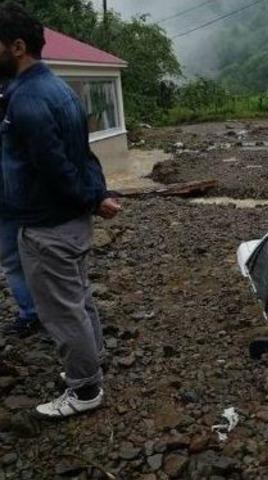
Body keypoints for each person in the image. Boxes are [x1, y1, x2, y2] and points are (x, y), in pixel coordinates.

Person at [0, 2, 122, 418]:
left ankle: (85, 390)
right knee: (79, 297)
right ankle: (92, 360)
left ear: (17, 47)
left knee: (62, 311)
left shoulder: (27, 101)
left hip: (47, 226)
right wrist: (97, 195)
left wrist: (91, 197)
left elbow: (55, 168)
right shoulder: (61, 89)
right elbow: (84, 156)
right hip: (70, 223)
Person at [0, 78, 39, 337]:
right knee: (13, 260)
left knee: (41, 257)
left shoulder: (20, 98)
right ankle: (31, 313)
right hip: (7, 200)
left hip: (27, 198)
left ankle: (47, 313)